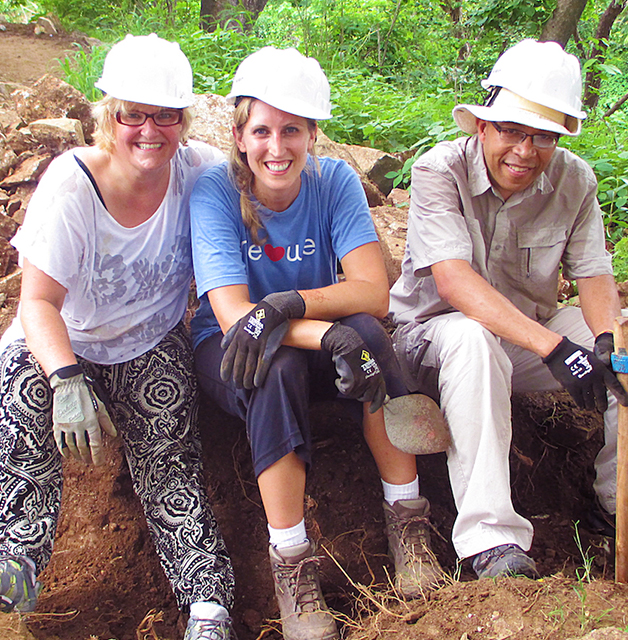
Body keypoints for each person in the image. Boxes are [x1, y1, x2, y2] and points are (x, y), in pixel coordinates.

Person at [0, 34, 238, 640]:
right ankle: (14, 567)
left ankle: (208, 604)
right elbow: (37, 302)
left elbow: (268, 188)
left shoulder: (199, 172)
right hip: (61, 343)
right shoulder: (71, 187)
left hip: (149, 342)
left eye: (166, 116)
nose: (149, 130)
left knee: (170, 464)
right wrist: (66, 378)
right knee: (26, 423)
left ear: (183, 119)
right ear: (108, 115)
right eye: (133, 115)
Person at [389, 39, 628, 580]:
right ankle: (488, 541)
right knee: (473, 337)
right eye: (512, 131)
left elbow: (592, 274)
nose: (524, 150)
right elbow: (454, 281)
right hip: (432, 345)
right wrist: (558, 349)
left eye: (542, 136)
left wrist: (607, 338)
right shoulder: (438, 171)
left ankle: (626, 499)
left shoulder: (574, 180)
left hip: (523, 342)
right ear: (483, 127)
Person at [190, 47, 446, 640]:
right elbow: (234, 317)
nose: (276, 148)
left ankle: (408, 524)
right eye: (262, 131)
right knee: (274, 363)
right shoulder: (216, 190)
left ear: (313, 134)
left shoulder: (334, 183)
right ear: (238, 134)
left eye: (292, 131)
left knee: (371, 336)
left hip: (297, 333)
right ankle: (292, 568)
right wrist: (327, 333)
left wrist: (295, 305)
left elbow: (374, 292)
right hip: (233, 350)